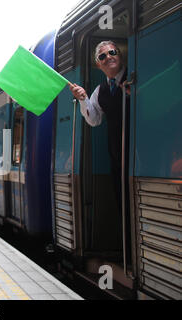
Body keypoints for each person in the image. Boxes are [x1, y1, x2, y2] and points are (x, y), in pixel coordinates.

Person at [69, 41, 131, 257]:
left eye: (112, 52)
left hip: (139, 152)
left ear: (119, 55)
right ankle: (129, 251)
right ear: (98, 64)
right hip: (117, 154)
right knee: (123, 202)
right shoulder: (100, 90)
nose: (109, 57)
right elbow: (94, 119)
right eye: (103, 56)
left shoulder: (134, 76)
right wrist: (84, 99)